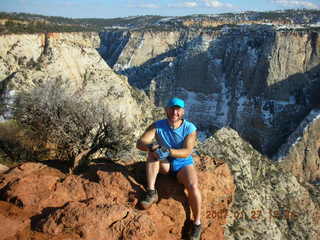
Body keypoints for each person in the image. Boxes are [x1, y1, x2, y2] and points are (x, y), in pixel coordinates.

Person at [136, 97, 202, 240]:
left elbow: (187, 151)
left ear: (182, 111)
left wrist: (168, 151)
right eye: (172, 108)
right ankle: (151, 192)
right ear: (166, 110)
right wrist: (151, 146)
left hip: (183, 164)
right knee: (152, 154)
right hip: (165, 164)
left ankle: (197, 223)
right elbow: (140, 142)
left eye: (178, 109)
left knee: (193, 186)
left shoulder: (190, 128)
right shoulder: (158, 125)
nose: (175, 112)